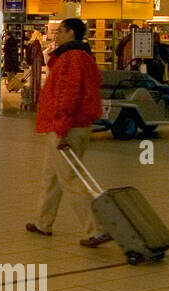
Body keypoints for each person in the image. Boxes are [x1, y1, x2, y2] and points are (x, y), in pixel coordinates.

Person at [25, 18, 109, 247]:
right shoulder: (85, 58)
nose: (56, 34)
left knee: (70, 179)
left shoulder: (70, 59)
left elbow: (66, 95)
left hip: (67, 128)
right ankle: (43, 222)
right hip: (79, 126)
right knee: (51, 177)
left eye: (61, 30)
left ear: (72, 33)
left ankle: (96, 229)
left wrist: (61, 129)